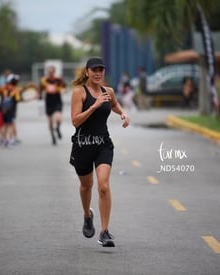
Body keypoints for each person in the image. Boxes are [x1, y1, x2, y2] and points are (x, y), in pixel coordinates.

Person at [69, 57, 130, 247]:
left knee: (103, 186)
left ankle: (104, 232)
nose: (98, 73)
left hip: (103, 144)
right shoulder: (79, 92)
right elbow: (75, 121)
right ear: (86, 72)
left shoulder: (108, 91)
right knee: (86, 186)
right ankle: (88, 215)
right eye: (94, 70)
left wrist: (122, 113)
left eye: (101, 70)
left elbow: (112, 104)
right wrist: (94, 106)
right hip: (83, 145)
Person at [39, 66, 66, 145]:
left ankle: (57, 128)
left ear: (54, 72)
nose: (50, 73)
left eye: (51, 72)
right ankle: (53, 136)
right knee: (50, 121)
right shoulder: (44, 80)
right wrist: (40, 96)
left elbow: (64, 86)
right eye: (49, 72)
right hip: (49, 101)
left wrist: (63, 90)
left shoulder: (58, 79)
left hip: (57, 100)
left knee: (58, 119)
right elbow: (40, 89)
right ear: (47, 72)